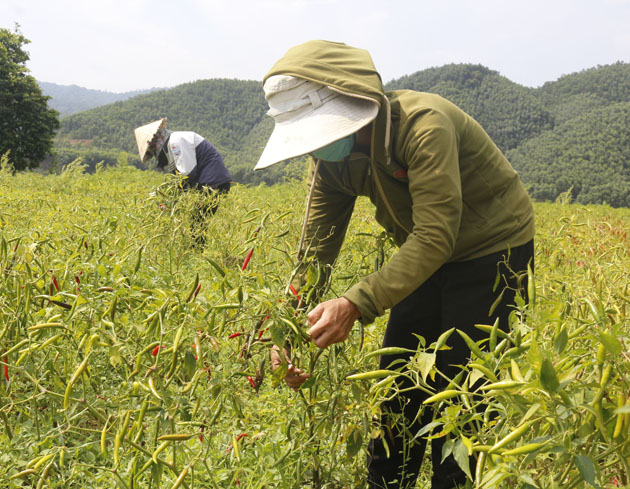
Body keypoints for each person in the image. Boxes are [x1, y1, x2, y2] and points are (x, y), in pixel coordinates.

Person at [257, 41, 535, 489]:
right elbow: (314, 251)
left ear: (353, 102)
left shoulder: (424, 125)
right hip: (421, 253)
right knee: (398, 387)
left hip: (492, 249)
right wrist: (287, 326)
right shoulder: (333, 162)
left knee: (465, 394)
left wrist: (355, 302)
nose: (316, 146)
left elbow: (436, 234)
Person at [135, 118, 232, 248]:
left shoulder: (176, 141)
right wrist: (164, 197)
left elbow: (187, 173)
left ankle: (200, 256)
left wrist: (167, 195)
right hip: (209, 182)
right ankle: (199, 253)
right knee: (196, 222)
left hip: (213, 182)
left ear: (155, 142)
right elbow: (180, 178)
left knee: (197, 223)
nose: (155, 155)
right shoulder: (171, 146)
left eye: (152, 151)